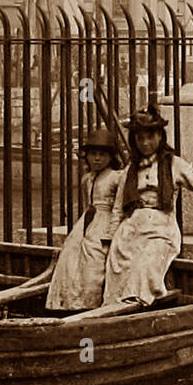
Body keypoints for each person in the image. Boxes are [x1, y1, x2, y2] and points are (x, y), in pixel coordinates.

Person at [102, 105, 193, 307]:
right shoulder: (130, 171)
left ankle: (137, 304)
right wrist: (110, 237)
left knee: (147, 263)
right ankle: (115, 308)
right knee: (118, 263)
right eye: (139, 138)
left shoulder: (173, 164)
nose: (145, 143)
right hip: (131, 228)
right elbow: (118, 208)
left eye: (150, 137)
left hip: (160, 227)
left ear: (160, 136)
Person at [45, 129, 125, 311]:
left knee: (93, 262)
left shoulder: (116, 177)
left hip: (104, 223)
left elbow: (118, 208)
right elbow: (87, 204)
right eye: (93, 154)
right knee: (70, 258)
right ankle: (68, 303)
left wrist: (111, 233)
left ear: (111, 157)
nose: (97, 159)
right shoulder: (86, 179)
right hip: (86, 222)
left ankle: (91, 303)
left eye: (102, 155)